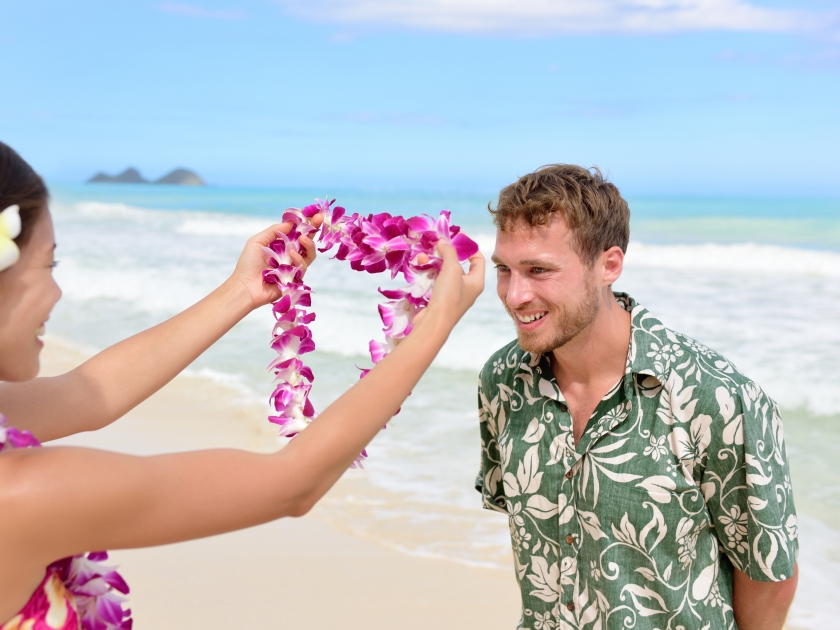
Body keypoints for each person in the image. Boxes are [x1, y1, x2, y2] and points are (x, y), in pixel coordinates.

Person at [0, 141, 485, 628]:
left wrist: (241, 292)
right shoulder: (21, 494)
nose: (57, 290)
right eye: (49, 265)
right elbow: (292, 484)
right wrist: (434, 325)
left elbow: (87, 394)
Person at [476, 165, 798, 630]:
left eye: (539, 270)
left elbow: (771, 575)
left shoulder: (716, 396)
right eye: (504, 269)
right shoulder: (503, 381)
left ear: (608, 265)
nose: (514, 294)